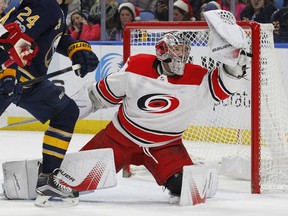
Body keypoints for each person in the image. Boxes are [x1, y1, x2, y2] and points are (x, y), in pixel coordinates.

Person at [73, 31, 250, 200]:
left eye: (184, 49)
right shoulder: (136, 66)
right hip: (119, 139)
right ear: (162, 50)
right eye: (177, 48)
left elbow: (223, 86)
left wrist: (234, 68)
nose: (182, 54)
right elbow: (98, 96)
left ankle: (203, 175)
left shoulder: (197, 77)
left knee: (188, 187)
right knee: (71, 181)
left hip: (165, 146)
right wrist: (69, 112)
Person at [0, 0, 99, 207]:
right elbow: (10, 37)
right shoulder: (45, 4)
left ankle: (48, 179)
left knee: (66, 112)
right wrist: (8, 74)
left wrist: (76, 48)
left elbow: (55, 37)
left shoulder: (56, 9)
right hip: (10, 75)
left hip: (27, 80)